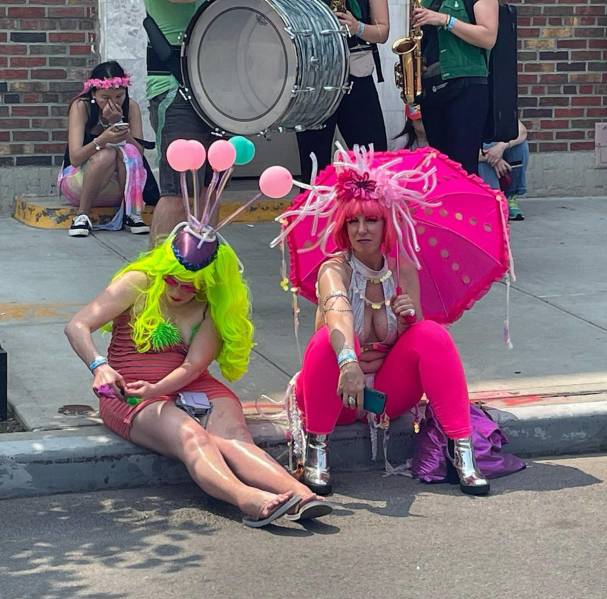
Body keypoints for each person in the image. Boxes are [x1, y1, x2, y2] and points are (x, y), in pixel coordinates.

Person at [65, 179, 332, 526]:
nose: (178, 290)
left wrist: (161, 388)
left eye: (191, 285)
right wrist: (99, 366)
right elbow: (77, 325)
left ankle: (298, 493)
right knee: (192, 437)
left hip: (187, 384)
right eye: (173, 279)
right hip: (129, 393)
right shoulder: (139, 282)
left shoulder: (214, 306)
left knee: (235, 437)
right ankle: (249, 500)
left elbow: (193, 366)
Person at [273, 146, 493, 498]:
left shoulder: (403, 266)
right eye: (353, 221)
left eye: (371, 220)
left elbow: (418, 342)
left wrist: (407, 323)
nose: (362, 229)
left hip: (384, 398)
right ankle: (316, 452)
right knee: (328, 342)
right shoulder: (334, 269)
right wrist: (349, 363)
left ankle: (461, 450)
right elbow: (339, 315)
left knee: (431, 333)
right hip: (335, 396)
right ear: (343, 225)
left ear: (386, 222)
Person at [145, 0, 218, 244]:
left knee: (210, 191)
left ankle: (202, 265)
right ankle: (158, 274)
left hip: (217, 85)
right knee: (178, 192)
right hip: (175, 87)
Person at [296, 0, 390, 182]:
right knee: (313, 165)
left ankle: (375, 208)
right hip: (315, 75)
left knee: (373, 158)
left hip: (356, 71)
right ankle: (315, 207)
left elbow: (382, 32)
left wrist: (358, 27)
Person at [59, 61, 151, 238]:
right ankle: (82, 215)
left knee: (128, 151)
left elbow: (139, 154)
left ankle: (132, 214)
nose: (113, 102)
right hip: (81, 182)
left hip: (123, 186)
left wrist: (118, 126)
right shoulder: (81, 107)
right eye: (105, 97)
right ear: (94, 93)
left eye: (118, 96)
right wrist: (102, 139)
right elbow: (75, 158)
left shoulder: (131, 107)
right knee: (107, 153)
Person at [413, 0, 499, 175]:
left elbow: (488, 37)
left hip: (467, 85)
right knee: (441, 167)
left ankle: (467, 203)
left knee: (464, 166)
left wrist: (445, 20)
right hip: (432, 86)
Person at [478, 119, 529, 221]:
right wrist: (493, 159)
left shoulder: (497, 107)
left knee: (520, 146)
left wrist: (501, 147)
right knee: (485, 149)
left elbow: (522, 131)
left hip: (493, 151)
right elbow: (458, 147)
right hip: (475, 158)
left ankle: (511, 197)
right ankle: (492, 199)